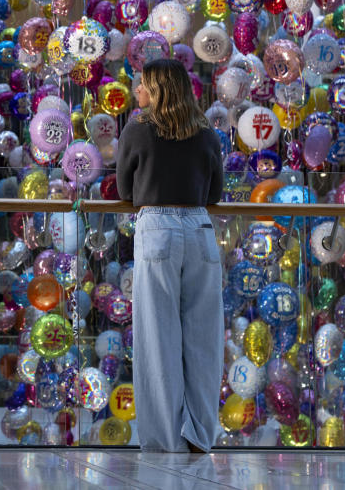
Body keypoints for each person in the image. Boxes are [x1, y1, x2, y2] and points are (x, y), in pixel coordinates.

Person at [116, 57, 225, 454]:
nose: (136, 90)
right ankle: (200, 434)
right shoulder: (205, 132)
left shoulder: (139, 128)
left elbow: (125, 189)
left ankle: (164, 439)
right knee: (203, 336)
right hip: (199, 227)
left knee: (157, 335)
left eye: (142, 84)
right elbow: (214, 194)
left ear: (157, 88)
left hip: (157, 225)